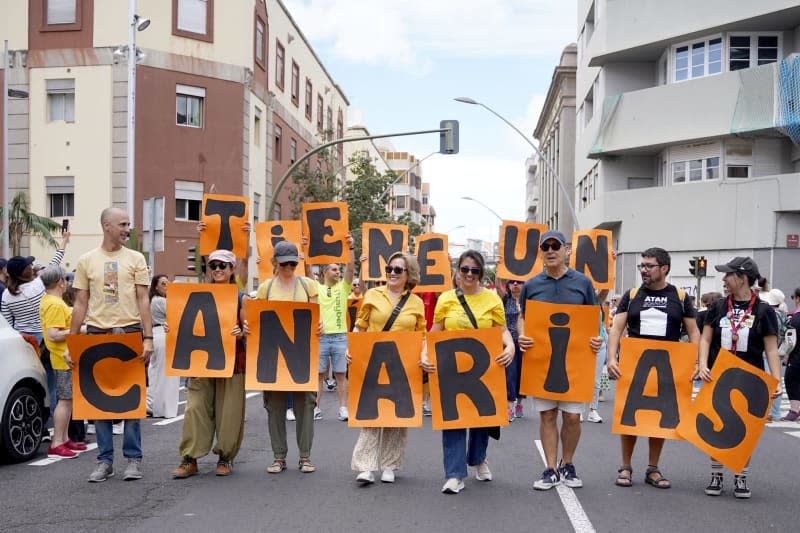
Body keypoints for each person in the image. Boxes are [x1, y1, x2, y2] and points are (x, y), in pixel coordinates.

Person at [68, 208, 153, 482]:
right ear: (107, 226)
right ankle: (105, 461)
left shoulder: (136, 258)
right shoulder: (86, 260)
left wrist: (148, 338)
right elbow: (80, 303)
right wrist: (73, 343)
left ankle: (133, 459)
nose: (128, 228)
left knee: (132, 400)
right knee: (98, 402)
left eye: (129, 223)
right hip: (96, 333)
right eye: (123, 224)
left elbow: (143, 300)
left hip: (129, 332)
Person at [606, 247, 700, 489]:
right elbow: (616, 328)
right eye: (642, 266)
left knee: (659, 418)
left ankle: (652, 468)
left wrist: (698, 362)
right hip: (635, 363)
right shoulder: (633, 294)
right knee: (630, 415)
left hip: (668, 365)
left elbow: (693, 332)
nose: (644, 270)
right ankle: (625, 466)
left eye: (649, 266)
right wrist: (611, 359)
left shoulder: (679, 296)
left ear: (664, 268)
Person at [517, 230, 602, 491]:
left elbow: (593, 316)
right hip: (541, 360)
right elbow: (523, 316)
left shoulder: (582, 283)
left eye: (556, 246)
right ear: (541, 252)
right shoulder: (531, 285)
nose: (551, 251)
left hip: (575, 361)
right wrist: (521, 335)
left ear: (567, 250)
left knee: (573, 418)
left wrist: (596, 338)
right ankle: (551, 469)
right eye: (546, 247)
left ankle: (568, 463)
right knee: (547, 415)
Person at [425, 250, 515, 494]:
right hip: (451, 367)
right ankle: (454, 474)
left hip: (483, 367)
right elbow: (435, 330)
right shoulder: (446, 299)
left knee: (481, 419)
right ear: (457, 270)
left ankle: (478, 458)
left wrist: (511, 345)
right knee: (453, 419)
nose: (469, 274)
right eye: (465, 269)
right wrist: (425, 353)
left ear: (481, 274)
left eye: (474, 271)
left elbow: (501, 330)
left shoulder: (492, 300)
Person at [696, 257, 781, 499]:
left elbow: (771, 349)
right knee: (716, 426)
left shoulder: (764, 311)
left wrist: (776, 380)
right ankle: (716, 474)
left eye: (728, 275)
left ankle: (741, 475)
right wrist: (702, 365)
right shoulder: (718, 306)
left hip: (750, 377)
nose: (723, 279)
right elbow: (705, 339)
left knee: (745, 429)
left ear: (742, 278)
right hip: (719, 375)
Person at [349, 252, 426, 485]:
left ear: (408, 274)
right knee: (371, 414)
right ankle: (365, 467)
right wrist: (351, 348)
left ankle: (390, 465)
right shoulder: (372, 294)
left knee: (395, 416)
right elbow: (360, 326)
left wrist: (423, 356)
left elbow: (421, 335)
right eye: (389, 269)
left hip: (403, 366)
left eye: (398, 270)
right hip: (374, 361)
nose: (392, 273)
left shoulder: (416, 302)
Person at [172, 250, 248, 478]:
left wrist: (241, 332)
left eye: (223, 266)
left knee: (230, 413)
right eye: (213, 265)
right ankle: (189, 458)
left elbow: (250, 330)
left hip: (232, 362)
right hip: (201, 362)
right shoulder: (195, 294)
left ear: (232, 269)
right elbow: (181, 324)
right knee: (195, 409)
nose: (217, 269)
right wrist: (171, 329)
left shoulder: (241, 298)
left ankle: (225, 457)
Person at [256, 240, 319, 474]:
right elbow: (257, 319)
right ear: (274, 262)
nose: (289, 266)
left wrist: (318, 327)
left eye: (293, 262)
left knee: (305, 404)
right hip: (274, 354)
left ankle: (305, 456)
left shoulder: (308, 286)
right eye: (284, 263)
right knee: (275, 406)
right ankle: (278, 457)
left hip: (302, 353)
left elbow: (315, 318)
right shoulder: (265, 289)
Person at [1, 232, 70, 437]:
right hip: (45, 338)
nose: (32, 266)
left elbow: (8, 321)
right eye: (29, 265)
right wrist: (64, 242)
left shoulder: (6, 294)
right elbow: (54, 264)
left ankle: (43, 425)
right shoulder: (38, 285)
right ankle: (55, 429)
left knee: (34, 383)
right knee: (55, 384)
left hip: (23, 341)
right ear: (25, 271)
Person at [39, 265, 87, 458]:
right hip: (63, 356)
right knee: (65, 401)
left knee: (67, 400)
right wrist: (82, 330)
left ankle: (64, 439)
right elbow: (53, 334)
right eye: (65, 280)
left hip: (63, 356)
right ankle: (57, 442)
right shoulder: (55, 304)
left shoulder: (50, 301)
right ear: (60, 282)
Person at [315, 235, 356, 421]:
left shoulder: (344, 287)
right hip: (321, 337)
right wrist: (306, 249)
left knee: (340, 374)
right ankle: (315, 407)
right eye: (334, 269)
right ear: (324, 272)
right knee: (319, 375)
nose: (338, 271)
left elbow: (351, 268)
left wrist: (351, 248)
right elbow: (307, 269)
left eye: (338, 269)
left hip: (340, 337)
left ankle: (342, 408)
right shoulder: (315, 287)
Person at [146, 274, 180, 419]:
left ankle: (155, 406)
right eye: (164, 283)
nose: (167, 286)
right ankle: (163, 409)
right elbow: (178, 311)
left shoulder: (154, 300)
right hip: (162, 334)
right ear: (156, 286)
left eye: (168, 283)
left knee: (156, 373)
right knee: (166, 375)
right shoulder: (159, 300)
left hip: (157, 334)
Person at [502, 279, 525, 422]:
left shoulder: (528, 301)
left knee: (522, 374)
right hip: (508, 342)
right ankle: (509, 406)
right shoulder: (505, 299)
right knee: (510, 374)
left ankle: (520, 404)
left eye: (519, 282)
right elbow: (498, 285)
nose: (515, 284)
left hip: (523, 342)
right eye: (512, 282)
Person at [782, 288, 800, 421]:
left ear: (798, 298)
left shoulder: (795, 319)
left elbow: (790, 342)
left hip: (796, 356)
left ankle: (794, 410)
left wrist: (786, 356)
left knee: (790, 380)